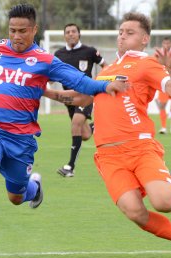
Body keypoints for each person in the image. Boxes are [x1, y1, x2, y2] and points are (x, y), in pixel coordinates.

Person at [0, 3, 127, 258]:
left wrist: (104, 87)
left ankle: (34, 187)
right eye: (12, 30)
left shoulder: (45, 61)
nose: (16, 36)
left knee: (16, 196)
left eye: (22, 31)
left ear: (34, 30)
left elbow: (77, 80)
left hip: (21, 138)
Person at [62, 12, 171, 258]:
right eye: (120, 32)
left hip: (139, 148)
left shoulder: (147, 63)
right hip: (107, 155)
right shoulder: (109, 70)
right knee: (135, 212)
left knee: (164, 203)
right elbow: (82, 97)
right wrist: (43, 92)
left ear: (144, 39)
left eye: (130, 32)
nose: (122, 36)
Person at [54, 23, 107, 177]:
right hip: (69, 98)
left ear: (79, 34)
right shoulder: (59, 54)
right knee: (84, 134)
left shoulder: (89, 51)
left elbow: (106, 66)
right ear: (64, 35)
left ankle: (70, 167)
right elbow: (50, 76)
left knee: (76, 123)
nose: (71, 34)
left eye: (73, 31)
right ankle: (97, 126)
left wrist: (99, 83)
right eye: (68, 32)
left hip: (86, 95)